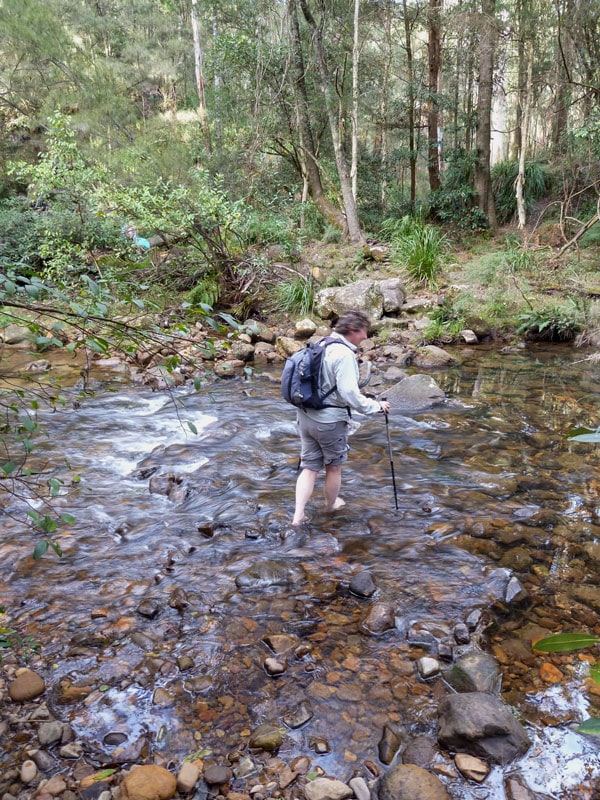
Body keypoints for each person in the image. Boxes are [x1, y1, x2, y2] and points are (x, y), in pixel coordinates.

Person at [292, 310, 390, 525]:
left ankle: (298, 515)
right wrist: (375, 406)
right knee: (333, 467)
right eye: (364, 332)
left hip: (306, 417)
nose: (366, 337)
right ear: (353, 331)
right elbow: (348, 393)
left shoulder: (320, 344)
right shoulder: (344, 354)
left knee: (309, 468)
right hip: (329, 422)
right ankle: (331, 506)